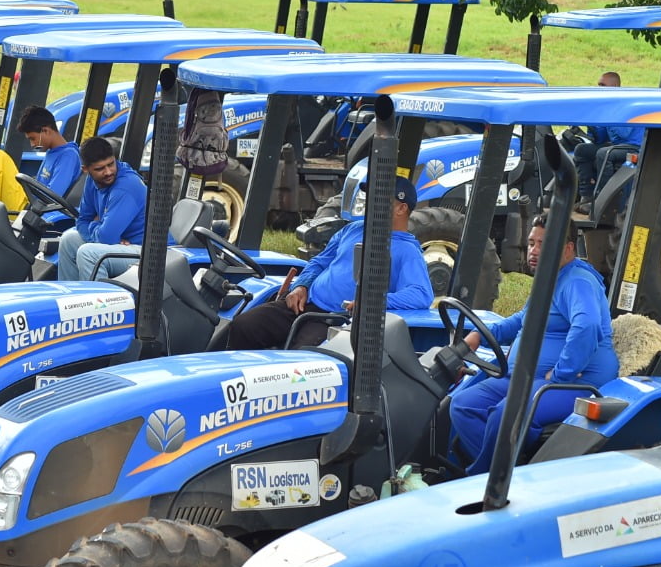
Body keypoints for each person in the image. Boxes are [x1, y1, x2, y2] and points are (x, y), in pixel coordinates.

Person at [448, 212, 618, 475]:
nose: (534, 251)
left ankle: (487, 480)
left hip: (573, 382)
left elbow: (588, 326)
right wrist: (481, 335)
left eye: (544, 244)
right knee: (462, 404)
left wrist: (562, 373)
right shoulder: (549, 280)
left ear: (568, 248)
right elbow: (522, 320)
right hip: (527, 376)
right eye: (531, 243)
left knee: (505, 416)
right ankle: (509, 469)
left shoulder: (577, 281)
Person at [227, 176, 433, 350]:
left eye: (378, 198)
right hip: (304, 303)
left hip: (336, 320)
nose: (369, 202)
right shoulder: (353, 229)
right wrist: (301, 285)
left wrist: (372, 303)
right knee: (243, 325)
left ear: (401, 208)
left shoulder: (407, 251)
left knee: (298, 363)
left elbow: (421, 294)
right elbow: (319, 262)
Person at [56, 137, 148, 281]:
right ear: (86, 169)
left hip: (146, 251)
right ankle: (71, 297)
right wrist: (102, 228)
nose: (108, 172)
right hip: (121, 245)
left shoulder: (127, 186)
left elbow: (107, 237)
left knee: (88, 254)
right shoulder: (92, 181)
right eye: (100, 168)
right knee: (68, 239)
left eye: (111, 164)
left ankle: (95, 303)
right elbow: (82, 221)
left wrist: (98, 227)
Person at [574, 71, 643, 213]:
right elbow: (601, 138)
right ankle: (586, 196)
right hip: (617, 146)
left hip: (634, 146)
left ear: (615, 86)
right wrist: (591, 123)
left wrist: (606, 114)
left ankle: (602, 201)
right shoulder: (608, 106)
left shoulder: (626, 105)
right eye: (598, 84)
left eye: (602, 85)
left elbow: (624, 133)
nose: (599, 88)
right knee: (581, 150)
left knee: (603, 153)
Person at [16, 105, 81, 198]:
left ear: (45, 131)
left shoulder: (68, 155)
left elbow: (52, 196)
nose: (32, 144)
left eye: (33, 138)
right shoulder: (51, 153)